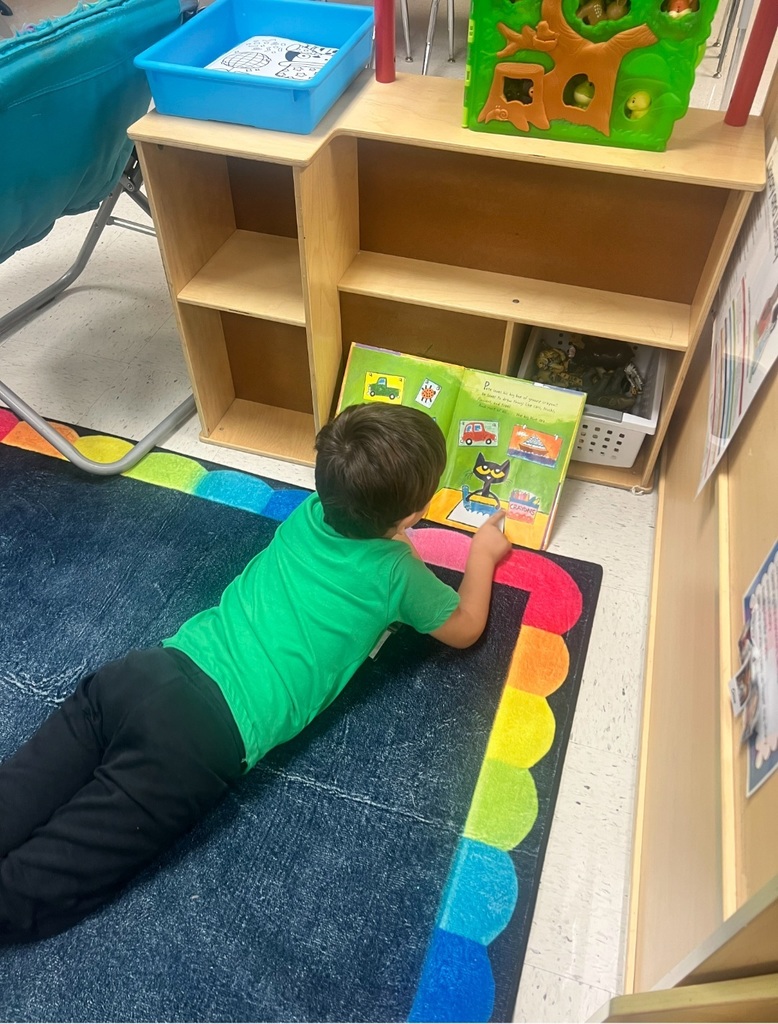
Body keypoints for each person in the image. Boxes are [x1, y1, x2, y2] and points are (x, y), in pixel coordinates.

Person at [0, 403, 510, 944]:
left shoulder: (310, 512)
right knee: (35, 890)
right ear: (412, 515)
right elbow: (466, 626)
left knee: (18, 793)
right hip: (199, 740)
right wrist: (482, 554)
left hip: (147, 672)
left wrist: (392, 526)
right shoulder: (399, 574)